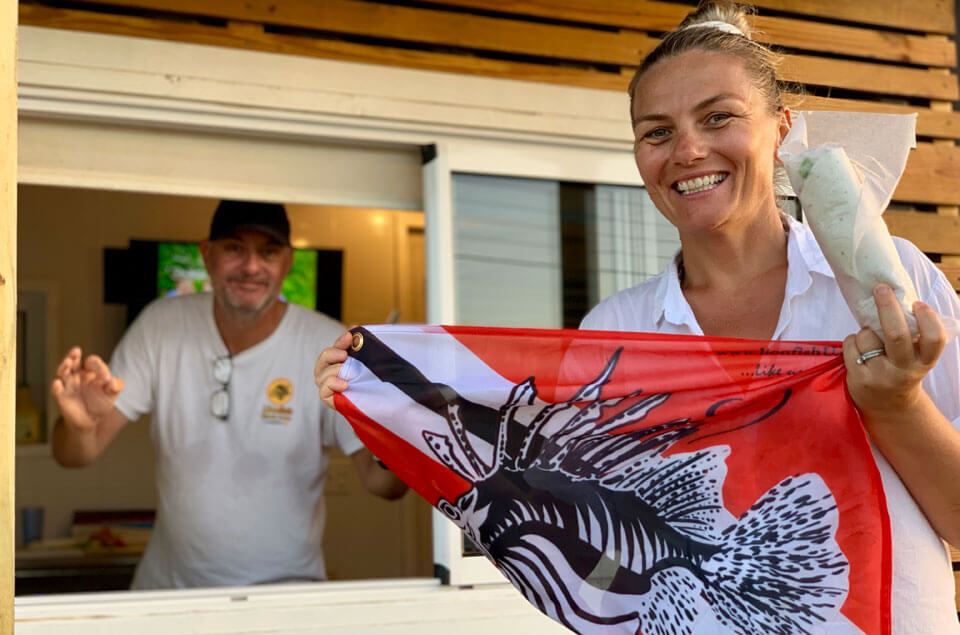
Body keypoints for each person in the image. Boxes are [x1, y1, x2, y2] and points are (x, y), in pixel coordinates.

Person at [316, 1, 960, 630]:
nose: (686, 151)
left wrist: (897, 403)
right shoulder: (616, 332)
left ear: (782, 127)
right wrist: (379, 392)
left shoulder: (891, 287)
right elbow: (560, 515)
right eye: (657, 131)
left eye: (718, 118)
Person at [52, 200, 407, 590]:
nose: (252, 267)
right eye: (235, 248)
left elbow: (383, 485)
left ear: (287, 262)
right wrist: (80, 425)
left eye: (268, 252)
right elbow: (73, 455)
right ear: (207, 254)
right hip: (170, 592)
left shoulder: (327, 344)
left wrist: (406, 423)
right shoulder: (161, 325)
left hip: (285, 595)